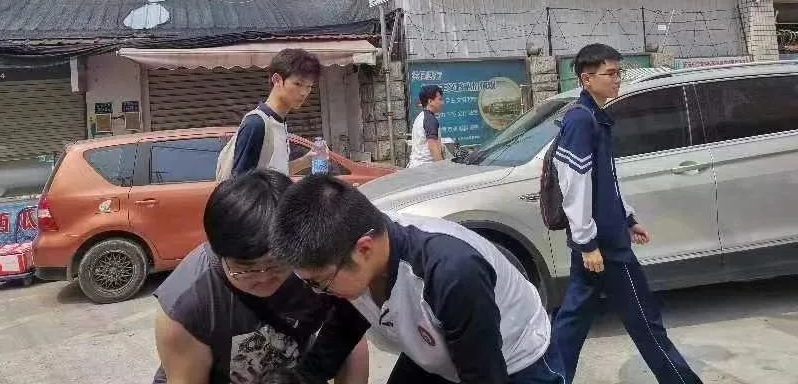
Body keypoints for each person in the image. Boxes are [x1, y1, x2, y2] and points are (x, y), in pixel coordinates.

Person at [270, 174, 567, 384]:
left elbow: (483, 374)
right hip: (440, 352)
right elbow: (346, 323)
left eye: (319, 283)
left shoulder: (450, 273)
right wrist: (304, 378)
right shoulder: (353, 249)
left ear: (364, 249)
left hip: (513, 364)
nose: (317, 293)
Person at [552, 44, 702, 384]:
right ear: (587, 79)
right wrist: (588, 242)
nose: (618, 79)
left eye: (619, 72)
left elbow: (606, 181)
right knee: (646, 324)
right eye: (611, 73)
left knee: (572, 323)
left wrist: (628, 218)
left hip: (601, 239)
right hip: (605, 247)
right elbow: (574, 184)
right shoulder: (582, 119)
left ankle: (549, 379)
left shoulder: (594, 116)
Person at [152, 170, 369, 384]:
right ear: (220, 253)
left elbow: (351, 340)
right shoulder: (187, 305)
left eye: (277, 264)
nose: (264, 278)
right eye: (247, 269)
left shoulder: (317, 266)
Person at [231, 48, 321, 177]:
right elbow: (240, 183)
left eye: (309, 86)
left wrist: (305, 161)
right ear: (277, 80)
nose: (303, 93)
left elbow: (275, 174)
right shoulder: (256, 124)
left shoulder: (279, 122)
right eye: (298, 84)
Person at [407, 84, 445, 167]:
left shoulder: (420, 116)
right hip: (427, 168)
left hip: (416, 166)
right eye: (439, 99)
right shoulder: (430, 120)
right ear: (430, 101)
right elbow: (433, 147)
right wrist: (442, 168)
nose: (442, 103)